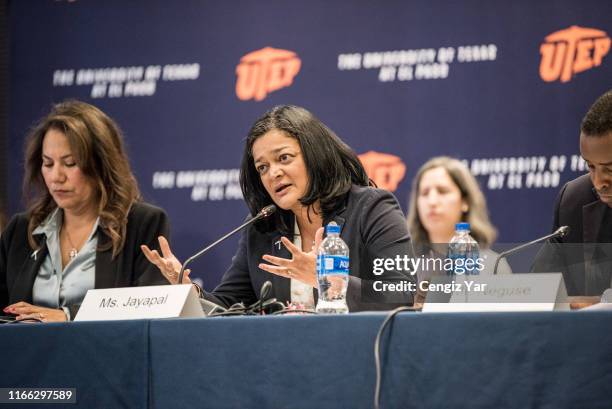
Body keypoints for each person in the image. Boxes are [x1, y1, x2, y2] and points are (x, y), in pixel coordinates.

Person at [143, 105, 415, 311]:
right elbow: (227, 305)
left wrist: (327, 280)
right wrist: (190, 294)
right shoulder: (263, 226)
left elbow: (400, 294)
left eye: (284, 158)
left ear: (315, 154)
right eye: (262, 167)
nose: (273, 173)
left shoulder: (371, 208)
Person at [0, 100, 170, 322]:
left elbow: (150, 306)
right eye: (48, 163)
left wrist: (68, 316)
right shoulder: (21, 231)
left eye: (70, 163)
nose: (56, 176)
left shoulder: (142, 224)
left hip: (106, 354)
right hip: (29, 355)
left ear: (101, 165)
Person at [532, 90, 612, 298]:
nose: (598, 183)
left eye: (609, 169)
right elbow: (538, 290)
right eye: (591, 166)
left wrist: (600, 306)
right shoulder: (576, 200)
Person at [406, 156, 511, 301]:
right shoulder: (403, 266)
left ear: (465, 201)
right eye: (424, 193)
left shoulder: (493, 264)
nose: (432, 201)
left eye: (442, 191)